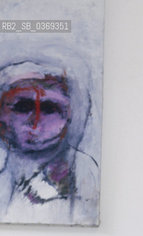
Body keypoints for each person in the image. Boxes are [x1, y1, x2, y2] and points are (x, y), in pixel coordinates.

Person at [0, 59, 99, 225]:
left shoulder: (84, 173)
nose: (35, 121)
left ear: (69, 117)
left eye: (49, 109)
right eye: (23, 107)